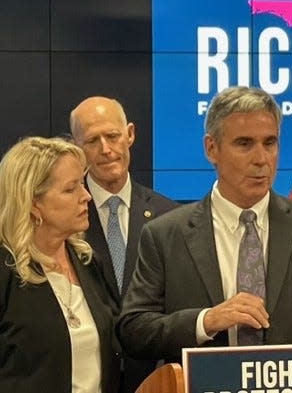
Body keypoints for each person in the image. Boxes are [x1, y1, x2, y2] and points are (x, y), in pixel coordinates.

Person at [117, 86, 292, 363]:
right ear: (211, 148)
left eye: (270, 143)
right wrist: (205, 321)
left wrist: (291, 368)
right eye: (244, 144)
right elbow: (134, 329)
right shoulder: (165, 235)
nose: (261, 159)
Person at [0, 137, 119, 393]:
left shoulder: (88, 262)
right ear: (33, 203)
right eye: (70, 189)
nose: (86, 196)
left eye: (82, 184)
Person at [70, 97, 178, 393]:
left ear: (130, 134)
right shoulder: (64, 218)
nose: (106, 149)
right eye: (92, 140)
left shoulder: (169, 217)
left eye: (113, 136)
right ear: (77, 147)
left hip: (154, 378)